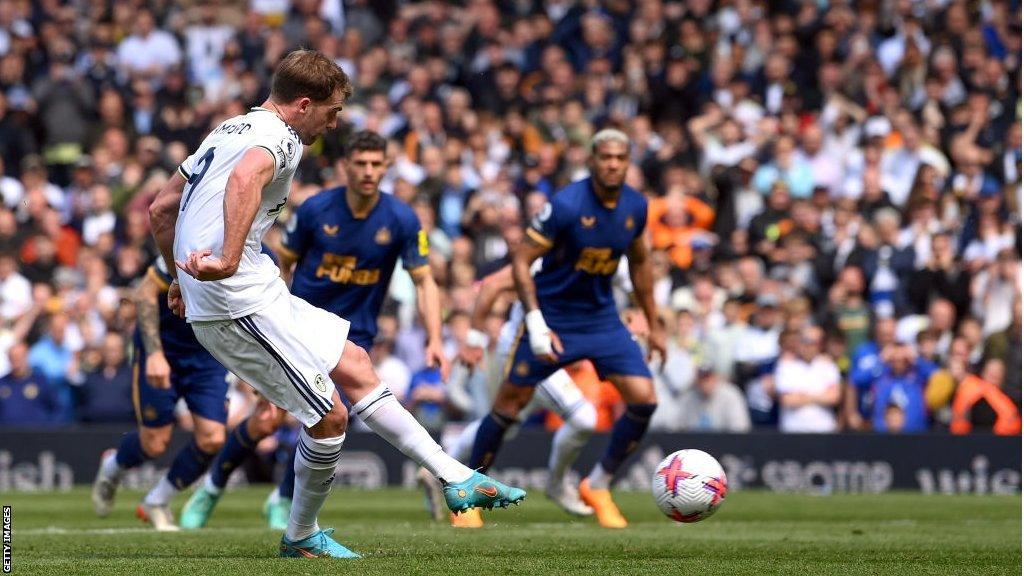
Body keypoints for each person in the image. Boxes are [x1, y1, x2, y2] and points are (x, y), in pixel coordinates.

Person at [147, 53, 523, 558]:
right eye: (333, 110)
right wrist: (225, 261)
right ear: (304, 105)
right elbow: (244, 181)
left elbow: (162, 206)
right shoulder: (281, 139)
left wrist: (178, 276)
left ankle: (457, 477)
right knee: (329, 418)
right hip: (235, 300)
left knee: (357, 364)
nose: (336, 121)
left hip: (252, 287)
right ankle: (300, 535)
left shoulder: (227, 129)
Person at [178, 130, 454, 531]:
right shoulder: (315, 211)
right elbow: (282, 264)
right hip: (294, 323)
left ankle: (285, 502)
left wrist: (434, 338)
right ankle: (214, 486)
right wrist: (267, 326)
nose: (368, 172)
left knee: (324, 416)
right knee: (269, 418)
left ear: (387, 168)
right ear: (345, 166)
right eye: (360, 163)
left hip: (353, 335)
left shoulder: (401, 218)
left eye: (377, 164)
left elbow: (425, 281)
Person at [465, 129, 666, 529]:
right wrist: (536, 321)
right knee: (508, 406)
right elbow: (521, 260)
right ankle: (469, 493)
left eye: (619, 158)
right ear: (591, 160)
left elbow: (641, 264)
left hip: (601, 318)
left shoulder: (635, 206)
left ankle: (600, 483)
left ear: (628, 163)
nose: (612, 164)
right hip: (553, 316)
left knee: (644, 399)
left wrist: (655, 323)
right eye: (604, 157)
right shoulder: (566, 205)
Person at [438, 264, 599, 528]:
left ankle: (444, 470)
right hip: (525, 351)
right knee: (583, 417)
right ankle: (556, 484)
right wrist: (476, 340)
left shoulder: (599, 255)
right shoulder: (545, 254)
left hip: (546, 354)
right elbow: (490, 286)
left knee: (503, 424)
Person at [89, 258, 234, 531]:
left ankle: (156, 501)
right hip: (162, 350)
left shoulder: (259, 257)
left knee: (213, 439)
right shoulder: (190, 246)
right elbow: (143, 293)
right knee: (154, 443)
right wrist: (154, 354)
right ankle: (113, 466)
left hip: (207, 355)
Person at [774, 326, 842, 433]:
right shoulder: (786, 365)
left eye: (813, 343)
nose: (808, 346)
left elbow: (834, 397)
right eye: (805, 341)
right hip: (793, 431)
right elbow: (787, 400)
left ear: (820, 345)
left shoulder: (828, 365)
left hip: (824, 429)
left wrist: (803, 396)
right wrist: (819, 396)